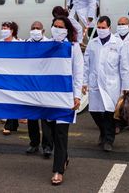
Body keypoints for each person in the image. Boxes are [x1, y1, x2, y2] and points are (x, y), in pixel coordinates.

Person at [82, 16, 129, 152]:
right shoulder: (93, 43)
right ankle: (103, 131)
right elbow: (86, 64)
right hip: (95, 83)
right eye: (99, 27)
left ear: (109, 28)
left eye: (103, 28)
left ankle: (108, 140)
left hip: (112, 84)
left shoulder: (118, 44)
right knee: (94, 111)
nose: (101, 30)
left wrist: (126, 86)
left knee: (109, 113)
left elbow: (124, 66)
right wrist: (84, 82)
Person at [48, 16, 84, 185]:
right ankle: (64, 158)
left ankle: (58, 171)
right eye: (54, 26)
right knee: (53, 133)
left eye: (60, 27)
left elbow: (78, 73)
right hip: (48, 97)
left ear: (67, 30)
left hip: (65, 97)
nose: (57, 29)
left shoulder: (73, 47)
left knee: (61, 133)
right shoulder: (46, 45)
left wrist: (77, 96)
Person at [24, 21, 53, 157]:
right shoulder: (25, 44)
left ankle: (47, 146)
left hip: (45, 86)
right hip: (30, 86)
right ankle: (34, 143)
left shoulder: (50, 44)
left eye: (38, 28)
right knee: (32, 118)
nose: (35, 30)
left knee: (46, 118)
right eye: (33, 28)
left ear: (43, 30)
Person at [0, 21, 21, 135]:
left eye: (6, 28)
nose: (3, 30)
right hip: (3, 75)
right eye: (2, 28)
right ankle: (12, 123)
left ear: (12, 31)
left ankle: (10, 124)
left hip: (15, 76)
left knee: (13, 99)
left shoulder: (18, 43)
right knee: (6, 99)